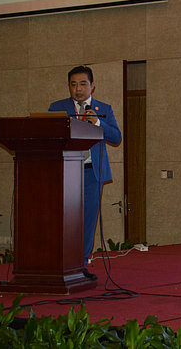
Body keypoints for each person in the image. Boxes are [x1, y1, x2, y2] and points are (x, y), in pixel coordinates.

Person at [49, 66, 121, 280]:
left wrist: (97, 122)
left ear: (92, 86)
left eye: (82, 84)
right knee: (64, 220)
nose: (78, 89)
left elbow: (116, 137)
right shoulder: (57, 108)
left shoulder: (103, 108)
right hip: (65, 172)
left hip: (91, 174)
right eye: (73, 84)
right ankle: (60, 264)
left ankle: (80, 266)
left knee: (88, 222)